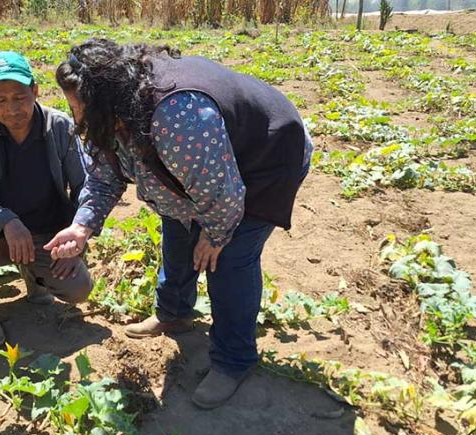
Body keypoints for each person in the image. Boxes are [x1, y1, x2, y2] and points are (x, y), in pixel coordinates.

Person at [45, 39, 314, 409]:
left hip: (265, 157)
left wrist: (215, 235)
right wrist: (82, 227)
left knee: (228, 261)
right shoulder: (112, 114)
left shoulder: (177, 117)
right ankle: (173, 314)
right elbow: (106, 175)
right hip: (209, 172)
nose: (74, 116)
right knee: (177, 235)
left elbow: (224, 192)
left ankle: (234, 360)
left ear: (107, 101)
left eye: (77, 107)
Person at [0, 51, 93, 349]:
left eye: (19, 97)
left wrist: (78, 235)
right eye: (0, 100)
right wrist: (6, 220)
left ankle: (33, 278)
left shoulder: (59, 126)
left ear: (35, 91)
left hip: (46, 235)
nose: (11, 109)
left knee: (79, 289)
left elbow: (86, 185)